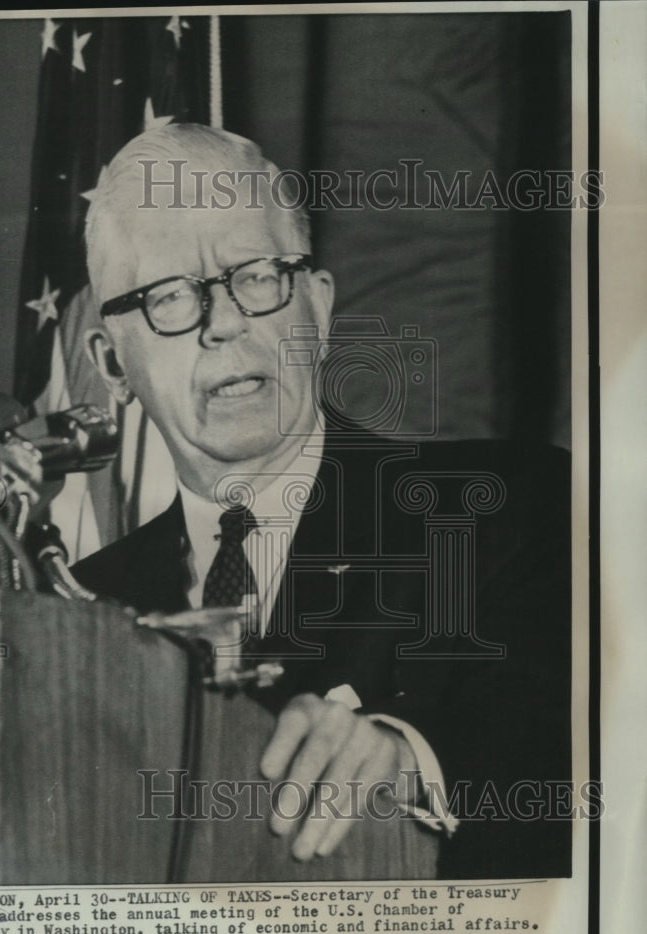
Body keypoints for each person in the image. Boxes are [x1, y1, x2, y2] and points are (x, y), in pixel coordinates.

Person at [72, 123, 571, 879]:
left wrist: (409, 765)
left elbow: (577, 773)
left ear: (319, 305)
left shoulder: (505, 511)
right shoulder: (85, 608)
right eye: (170, 296)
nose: (227, 322)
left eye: (258, 275)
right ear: (112, 364)